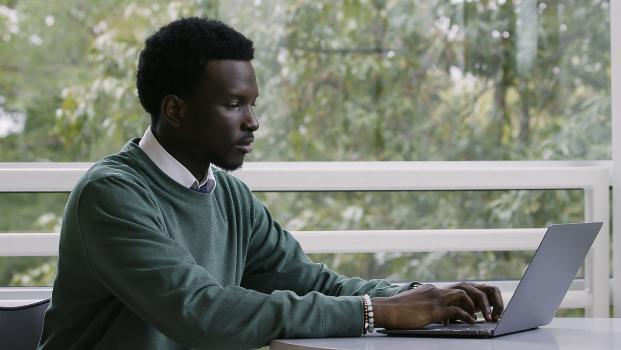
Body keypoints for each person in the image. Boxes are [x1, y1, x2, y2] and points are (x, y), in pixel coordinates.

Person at [37, 17, 503, 350]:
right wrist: (376, 313)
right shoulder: (112, 195)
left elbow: (311, 282)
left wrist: (426, 298)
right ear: (175, 110)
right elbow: (202, 311)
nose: (253, 122)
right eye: (234, 104)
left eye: (252, 103)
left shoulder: (229, 195)